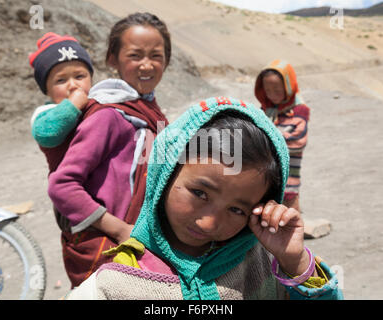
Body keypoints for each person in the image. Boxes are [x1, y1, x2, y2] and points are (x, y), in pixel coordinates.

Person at [65, 97, 342, 300]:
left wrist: (295, 263)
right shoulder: (116, 283)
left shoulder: (265, 266)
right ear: (166, 173)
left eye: (236, 210)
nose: (209, 223)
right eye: (200, 193)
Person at [30, 12, 171, 288]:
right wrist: (120, 230)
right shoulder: (109, 115)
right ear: (112, 59)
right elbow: (62, 185)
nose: (146, 64)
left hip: (135, 243)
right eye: (135, 55)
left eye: (156, 55)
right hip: (107, 247)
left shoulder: (150, 110)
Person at [254, 60, 309, 212]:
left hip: (289, 175)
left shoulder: (299, 110)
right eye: (268, 91)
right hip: (268, 175)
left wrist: (269, 140)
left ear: (288, 86)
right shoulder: (266, 110)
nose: (272, 95)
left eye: (277, 90)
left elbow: (299, 141)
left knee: (289, 211)